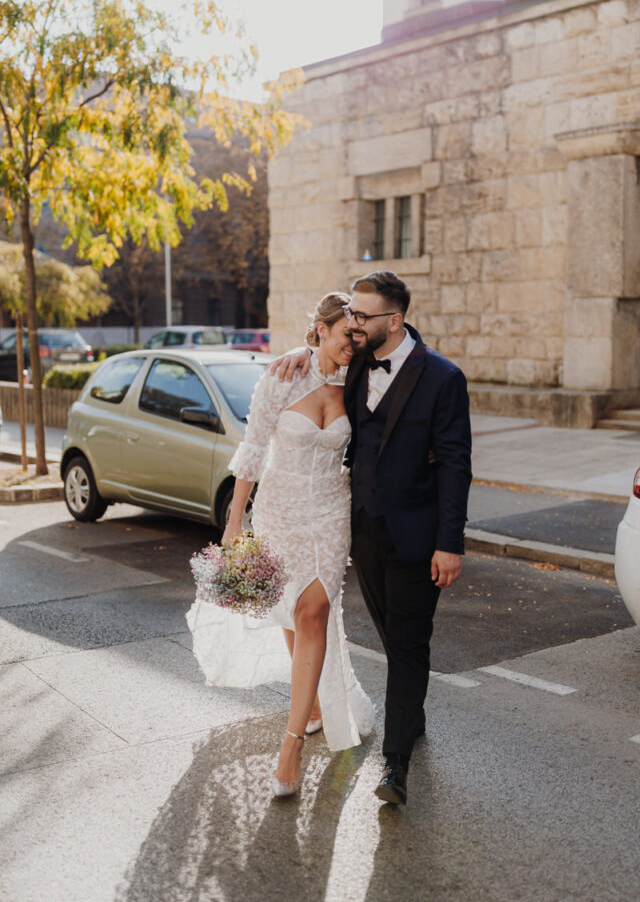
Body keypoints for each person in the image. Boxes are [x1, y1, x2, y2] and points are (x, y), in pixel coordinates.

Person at [273, 270, 471, 806]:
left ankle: (396, 763)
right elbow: (323, 357)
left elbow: (455, 464)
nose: (353, 324)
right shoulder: (356, 361)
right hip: (360, 531)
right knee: (390, 635)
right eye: (351, 316)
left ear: (394, 320)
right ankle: (414, 710)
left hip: (417, 534)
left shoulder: (443, 378)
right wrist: (298, 350)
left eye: (362, 316)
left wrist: (449, 542)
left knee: (408, 644)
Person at [186, 292, 374, 798]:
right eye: (345, 336)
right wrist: (233, 525)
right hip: (279, 511)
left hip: (331, 512)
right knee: (292, 612)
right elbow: (252, 449)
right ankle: (310, 705)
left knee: (314, 612)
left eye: (359, 338)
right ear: (321, 329)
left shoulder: (359, 380)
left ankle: (290, 745)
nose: (352, 346)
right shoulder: (282, 376)